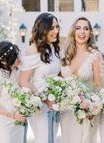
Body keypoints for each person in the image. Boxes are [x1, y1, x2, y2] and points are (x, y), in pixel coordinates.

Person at [60, 17, 104, 143]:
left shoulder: (95, 56)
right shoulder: (65, 55)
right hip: (67, 111)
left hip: (86, 110)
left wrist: (92, 107)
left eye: (86, 29)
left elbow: (99, 85)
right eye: (78, 28)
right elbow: (60, 82)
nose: (82, 32)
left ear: (90, 33)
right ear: (73, 32)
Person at [19, 12, 61, 143]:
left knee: (51, 139)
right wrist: (44, 99)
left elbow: (57, 74)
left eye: (57, 27)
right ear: (43, 29)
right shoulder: (33, 50)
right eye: (52, 28)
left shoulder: (54, 48)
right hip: (40, 107)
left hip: (56, 104)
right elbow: (23, 81)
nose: (56, 31)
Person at [0, 40, 26, 143]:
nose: (18, 59)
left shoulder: (17, 72)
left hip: (18, 122)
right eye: (15, 57)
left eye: (17, 56)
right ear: (4, 61)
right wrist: (12, 115)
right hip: (3, 122)